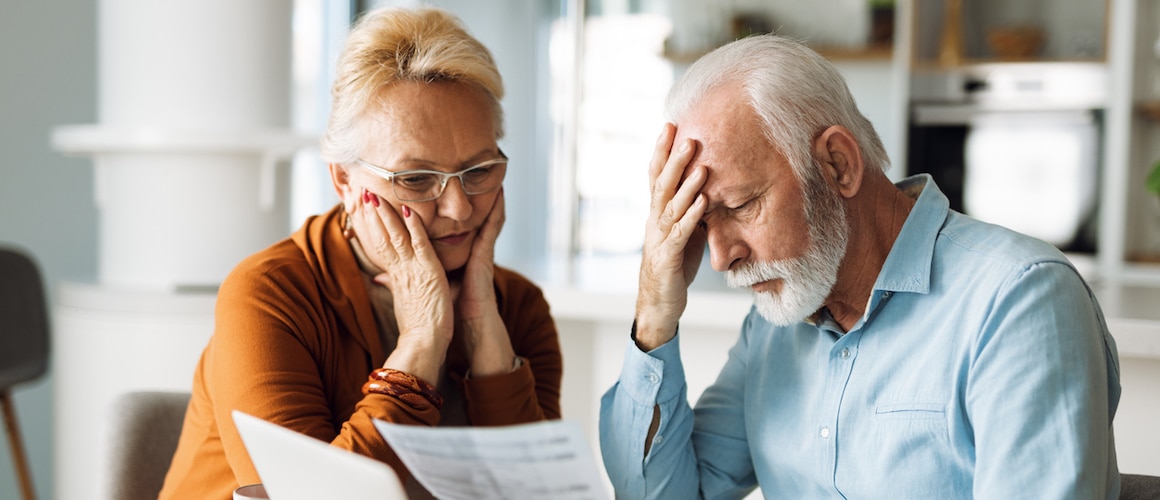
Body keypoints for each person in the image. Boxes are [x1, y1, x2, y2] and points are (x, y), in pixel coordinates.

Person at [599, 34, 1121, 499]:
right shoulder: (773, 326)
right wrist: (654, 312)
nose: (719, 257)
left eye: (739, 207)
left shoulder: (1018, 302)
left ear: (838, 164)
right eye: (701, 224)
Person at [160, 7, 562, 499]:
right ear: (344, 180)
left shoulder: (519, 307)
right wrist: (420, 343)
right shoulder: (268, 294)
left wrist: (484, 334)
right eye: (415, 179)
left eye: (478, 171)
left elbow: (536, 494)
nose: (458, 209)